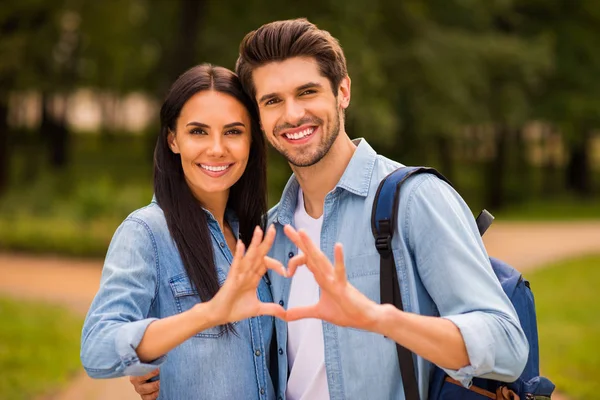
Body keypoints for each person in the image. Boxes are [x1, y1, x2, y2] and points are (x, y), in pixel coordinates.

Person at [133, 18, 529, 400]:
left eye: (307, 92)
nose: (292, 114)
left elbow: (507, 345)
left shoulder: (415, 199)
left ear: (342, 92)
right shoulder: (269, 234)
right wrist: (157, 366)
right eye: (273, 101)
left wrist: (379, 319)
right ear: (258, 117)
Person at [80, 64, 288, 400]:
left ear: (252, 139)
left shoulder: (259, 236)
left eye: (233, 131)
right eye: (198, 132)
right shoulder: (146, 233)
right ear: (173, 140)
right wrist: (206, 314)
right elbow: (97, 349)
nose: (217, 148)